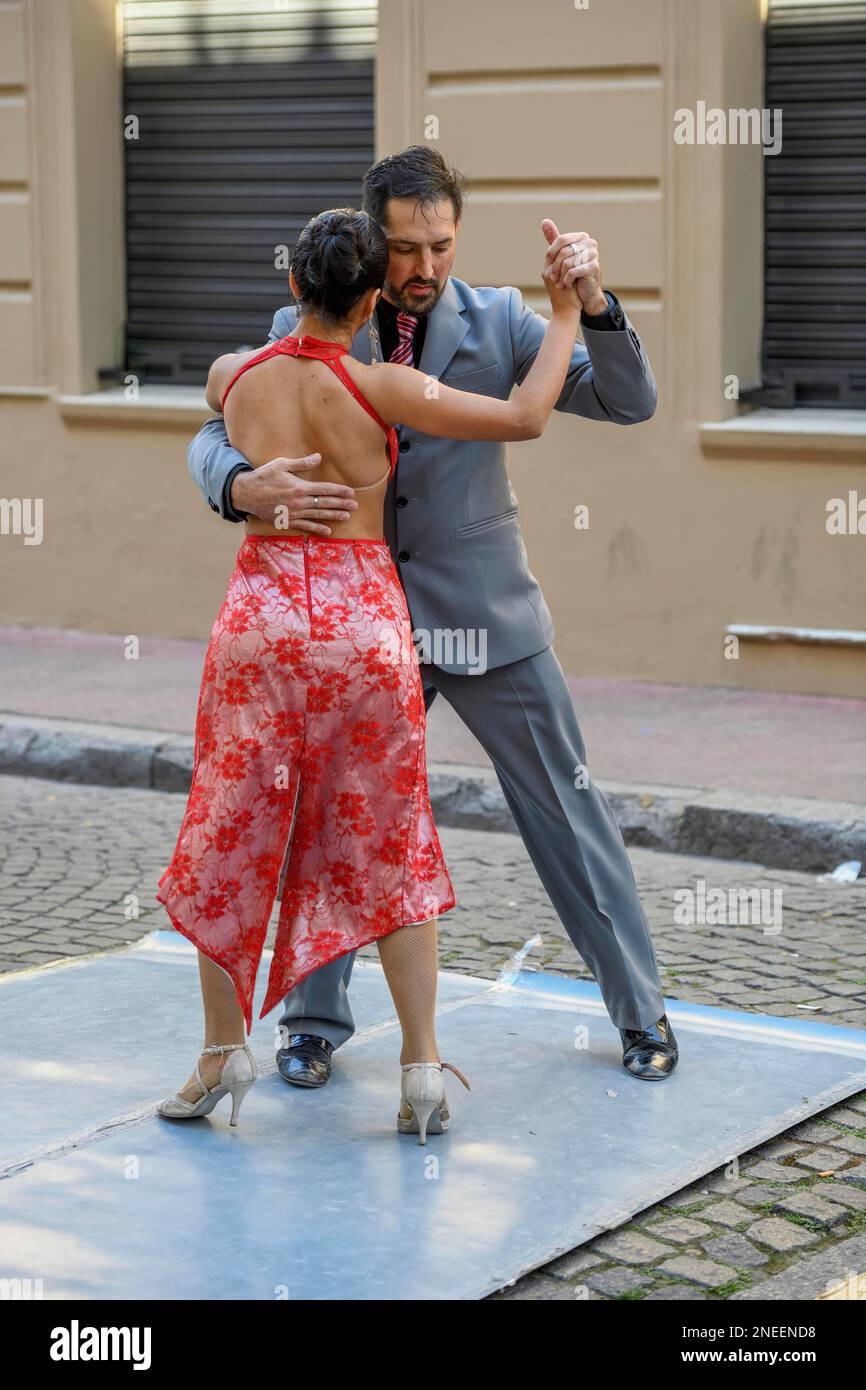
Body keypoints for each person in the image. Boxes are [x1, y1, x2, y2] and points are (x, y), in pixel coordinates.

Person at [188, 146, 678, 1088]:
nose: (423, 268)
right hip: (354, 629)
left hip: (489, 618)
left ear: (459, 236)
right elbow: (215, 429)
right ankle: (312, 1024)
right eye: (405, 249)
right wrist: (241, 485)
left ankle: (640, 1013)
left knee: (569, 815)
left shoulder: (500, 319)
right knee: (331, 817)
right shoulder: (309, 322)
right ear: (374, 247)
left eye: (440, 245)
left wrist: (595, 305)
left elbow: (628, 401)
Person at [156, 207, 582, 1141]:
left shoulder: (240, 375)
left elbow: (210, 406)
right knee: (391, 835)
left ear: (296, 287)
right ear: (373, 296)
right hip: (362, 626)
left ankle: (221, 1054)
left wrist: (244, 481)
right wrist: (561, 314)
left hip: (260, 621)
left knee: (230, 827)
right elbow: (525, 416)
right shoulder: (383, 384)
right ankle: (422, 1070)